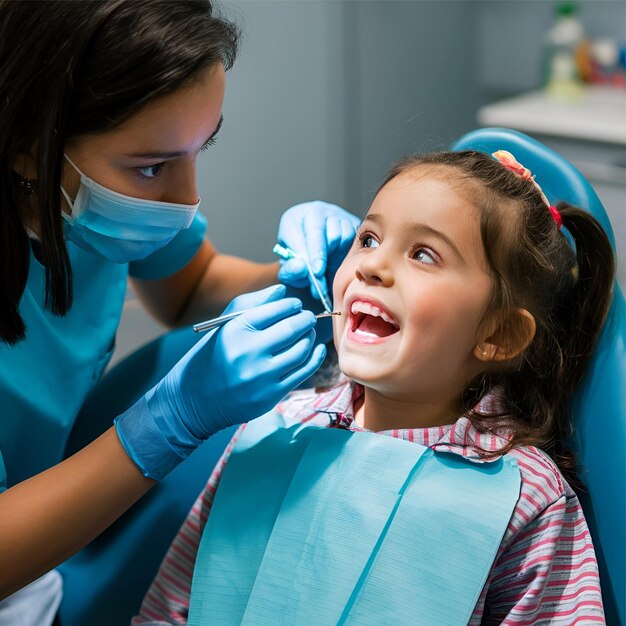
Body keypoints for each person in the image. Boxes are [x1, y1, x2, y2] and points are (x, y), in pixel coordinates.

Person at [133, 149, 615, 625]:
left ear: (498, 334)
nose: (372, 266)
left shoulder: (523, 496)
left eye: (423, 254)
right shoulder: (278, 427)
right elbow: (171, 608)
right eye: (368, 238)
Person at [0, 0, 359, 619]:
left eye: (200, 149)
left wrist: (309, 277)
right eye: (152, 167)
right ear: (30, 148)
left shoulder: (79, 202)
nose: (188, 199)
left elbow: (192, 291)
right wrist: (168, 423)